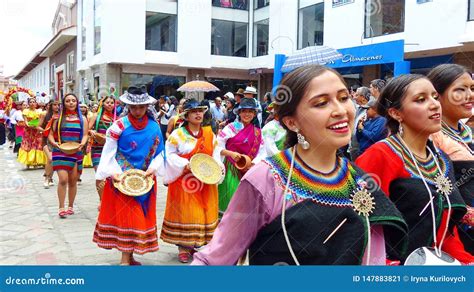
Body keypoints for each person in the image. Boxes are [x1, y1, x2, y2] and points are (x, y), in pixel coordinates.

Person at [192, 65, 408, 265]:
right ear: (291, 122)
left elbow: (374, 261)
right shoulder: (266, 179)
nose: (341, 110)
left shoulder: (361, 182)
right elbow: (214, 259)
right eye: (321, 103)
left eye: (343, 98)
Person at [356, 74, 473, 264]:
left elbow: (446, 232)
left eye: (435, 97)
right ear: (396, 113)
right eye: (421, 99)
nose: (434, 105)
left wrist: (465, 263)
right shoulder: (380, 155)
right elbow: (360, 228)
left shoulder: (441, 160)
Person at [93, 86, 165, 265]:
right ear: (127, 106)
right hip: (121, 180)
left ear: (147, 107)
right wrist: (115, 173)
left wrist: (152, 170)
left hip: (145, 180)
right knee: (127, 217)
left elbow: (160, 153)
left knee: (137, 217)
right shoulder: (118, 126)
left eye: (141, 107)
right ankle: (125, 259)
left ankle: (130, 255)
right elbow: (109, 152)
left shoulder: (155, 127)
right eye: (133, 107)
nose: (138, 111)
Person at [160, 98, 224, 263]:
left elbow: (216, 152)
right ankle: (183, 246)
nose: (198, 114)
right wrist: (185, 164)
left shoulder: (210, 134)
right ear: (186, 116)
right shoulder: (178, 134)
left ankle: (195, 243)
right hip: (185, 181)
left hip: (205, 179)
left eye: (200, 111)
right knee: (188, 212)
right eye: (194, 112)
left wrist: (217, 167)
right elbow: (170, 154)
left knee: (204, 211)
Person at [427, 64, 474, 254]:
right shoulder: (433, 136)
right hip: (457, 233)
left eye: (472, 88)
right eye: (459, 90)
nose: (469, 95)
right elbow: (433, 193)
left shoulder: (467, 131)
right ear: (436, 96)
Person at [217, 97, 266, 214]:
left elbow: (262, 152)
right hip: (231, 168)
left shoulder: (258, 132)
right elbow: (217, 146)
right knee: (230, 195)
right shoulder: (230, 128)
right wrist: (231, 154)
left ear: (254, 114)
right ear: (239, 112)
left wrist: (252, 164)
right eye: (244, 111)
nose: (247, 114)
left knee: (246, 201)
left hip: (249, 170)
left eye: (250, 111)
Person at [48, 94, 89, 218]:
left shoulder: (82, 119)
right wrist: (53, 142)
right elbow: (50, 134)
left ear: (77, 103)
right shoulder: (57, 118)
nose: (71, 103)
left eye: (73, 101)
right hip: (60, 150)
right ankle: (61, 207)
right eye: (67, 101)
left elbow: (85, 134)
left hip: (76, 151)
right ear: (63, 103)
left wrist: (82, 143)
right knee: (63, 179)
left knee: (73, 181)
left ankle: (70, 205)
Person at [88, 96, 116, 207]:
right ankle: (102, 200)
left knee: (110, 176)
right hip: (97, 149)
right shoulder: (96, 116)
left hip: (111, 150)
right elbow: (88, 129)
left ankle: (108, 199)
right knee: (100, 175)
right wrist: (93, 132)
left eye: (112, 103)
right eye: (107, 102)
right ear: (102, 104)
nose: (109, 104)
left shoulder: (116, 119)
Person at [18, 97, 46, 168]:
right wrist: (29, 125)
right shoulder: (25, 111)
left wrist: (37, 126)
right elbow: (26, 121)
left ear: (36, 104)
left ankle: (40, 161)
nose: (32, 103)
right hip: (28, 131)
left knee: (38, 145)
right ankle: (29, 162)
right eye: (30, 102)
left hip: (37, 130)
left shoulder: (39, 111)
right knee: (29, 145)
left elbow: (40, 122)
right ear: (28, 104)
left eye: (34, 102)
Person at [38, 100, 60, 188]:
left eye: (58, 105)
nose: (57, 106)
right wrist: (45, 131)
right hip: (46, 140)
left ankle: (50, 177)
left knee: (54, 160)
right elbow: (38, 126)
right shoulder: (44, 115)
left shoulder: (62, 115)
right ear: (50, 106)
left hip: (57, 141)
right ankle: (47, 179)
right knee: (50, 159)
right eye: (54, 104)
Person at [348, 87, 371, 161]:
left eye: (357, 95)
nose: (354, 97)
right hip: (353, 146)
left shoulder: (370, 111)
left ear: (363, 97)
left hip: (361, 148)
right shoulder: (358, 108)